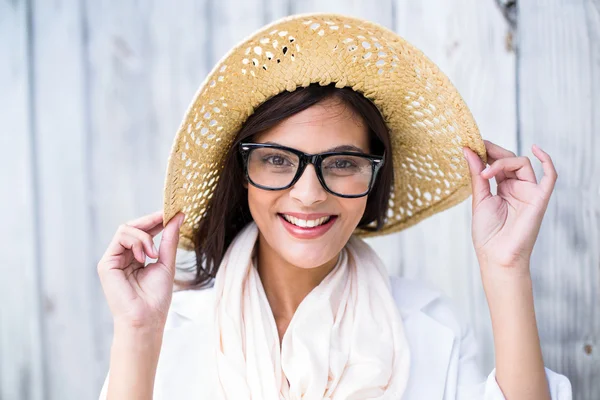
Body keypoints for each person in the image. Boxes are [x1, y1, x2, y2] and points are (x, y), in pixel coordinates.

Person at [97, 13, 572, 400]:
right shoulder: (168, 331)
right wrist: (139, 333)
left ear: (374, 176)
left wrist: (506, 268)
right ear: (243, 173)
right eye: (278, 160)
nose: (308, 194)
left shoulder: (430, 330)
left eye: (342, 162)